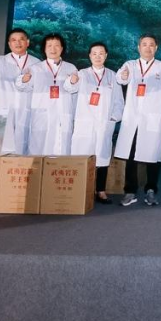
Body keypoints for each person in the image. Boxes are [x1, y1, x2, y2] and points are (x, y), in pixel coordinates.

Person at [115, 33, 161, 207]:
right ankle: (130, 191)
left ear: (156, 48)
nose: (148, 48)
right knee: (130, 154)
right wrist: (124, 75)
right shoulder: (130, 65)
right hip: (133, 117)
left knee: (153, 155)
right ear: (138, 47)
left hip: (153, 116)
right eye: (144, 44)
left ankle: (151, 190)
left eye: (151, 44)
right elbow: (120, 79)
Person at [67, 42, 124, 204]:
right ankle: (80, 190)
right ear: (89, 56)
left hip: (104, 123)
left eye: (101, 53)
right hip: (85, 122)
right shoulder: (82, 74)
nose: (98, 56)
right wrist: (72, 81)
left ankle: (101, 191)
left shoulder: (113, 76)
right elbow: (70, 88)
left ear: (106, 55)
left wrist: (113, 118)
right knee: (82, 156)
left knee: (102, 158)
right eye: (94, 53)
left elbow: (119, 101)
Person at [17, 33, 77, 155]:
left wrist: (72, 82)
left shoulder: (71, 68)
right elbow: (22, 87)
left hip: (62, 114)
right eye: (49, 46)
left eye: (56, 45)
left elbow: (74, 90)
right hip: (42, 115)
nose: (53, 49)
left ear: (62, 48)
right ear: (44, 49)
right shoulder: (35, 68)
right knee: (39, 148)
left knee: (61, 148)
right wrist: (24, 80)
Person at [0, 28, 41, 154]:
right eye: (14, 40)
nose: (18, 43)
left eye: (21, 39)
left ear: (27, 42)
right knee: (0, 141)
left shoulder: (37, 63)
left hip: (26, 106)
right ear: (9, 44)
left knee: (23, 140)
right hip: (4, 105)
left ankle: (21, 164)